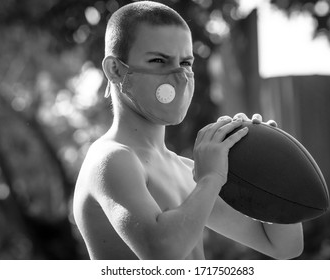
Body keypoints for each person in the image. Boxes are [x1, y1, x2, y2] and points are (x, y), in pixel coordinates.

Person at [73, 1, 303, 260]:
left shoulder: (186, 169)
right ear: (115, 69)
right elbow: (162, 253)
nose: (179, 75)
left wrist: (270, 168)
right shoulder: (113, 159)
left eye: (185, 62)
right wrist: (211, 178)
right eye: (159, 60)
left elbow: (283, 247)